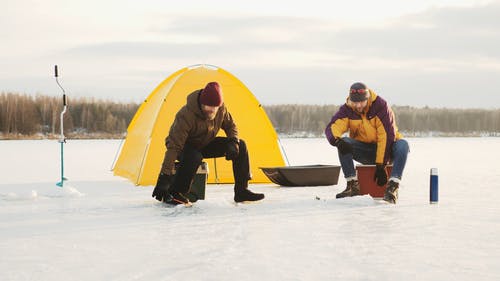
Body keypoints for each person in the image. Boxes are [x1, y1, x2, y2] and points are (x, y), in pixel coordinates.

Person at [152, 81, 265, 205]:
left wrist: (233, 141)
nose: (212, 110)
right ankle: (177, 193)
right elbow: (174, 147)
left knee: (241, 145)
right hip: (184, 146)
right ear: (201, 103)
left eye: (215, 107)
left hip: (204, 143)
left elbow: (231, 126)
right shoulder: (186, 115)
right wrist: (164, 177)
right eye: (208, 106)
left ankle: (242, 191)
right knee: (194, 156)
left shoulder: (220, 109)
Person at [324, 82, 409, 203]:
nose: (358, 105)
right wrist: (336, 141)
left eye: (361, 102)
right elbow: (333, 127)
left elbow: (386, 137)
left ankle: (392, 187)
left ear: (367, 98)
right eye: (355, 102)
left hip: (388, 150)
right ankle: (352, 185)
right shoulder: (347, 109)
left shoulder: (380, 106)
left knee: (403, 145)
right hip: (365, 151)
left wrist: (381, 165)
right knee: (343, 142)